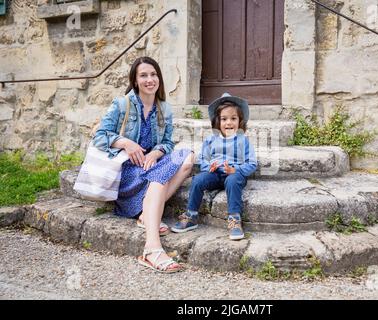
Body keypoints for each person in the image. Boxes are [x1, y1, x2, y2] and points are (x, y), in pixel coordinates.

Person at [93, 56, 194, 273]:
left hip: (150, 165)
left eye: (153, 74)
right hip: (128, 172)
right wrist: (126, 143)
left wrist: (158, 151)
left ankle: (145, 215)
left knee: (187, 158)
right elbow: (99, 136)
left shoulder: (164, 109)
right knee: (161, 173)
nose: (150, 79)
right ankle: (152, 249)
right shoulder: (122, 104)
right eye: (143, 75)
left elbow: (167, 142)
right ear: (135, 80)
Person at [171, 93, 257, 240]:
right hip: (215, 174)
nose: (228, 123)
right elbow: (204, 159)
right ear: (217, 121)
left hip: (234, 175)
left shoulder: (243, 141)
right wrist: (209, 166)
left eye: (233, 118)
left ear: (240, 121)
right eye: (224, 119)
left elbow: (252, 163)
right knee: (198, 180)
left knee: (232, 180)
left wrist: (237, 169)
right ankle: (191, 216)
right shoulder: (211, 140)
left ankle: (235, 219)